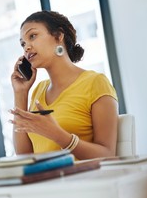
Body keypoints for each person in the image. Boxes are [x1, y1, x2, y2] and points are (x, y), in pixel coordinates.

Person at [9, 11, 118, 160]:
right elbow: (24, 156)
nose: (27, 47)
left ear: (59, 36)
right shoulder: (38, 91)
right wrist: (20, 93)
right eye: (23, 43)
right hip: (47, 182)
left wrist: (56, 134)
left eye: (32, 36)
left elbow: (107, 154)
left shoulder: (95, 83)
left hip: (82, 180)